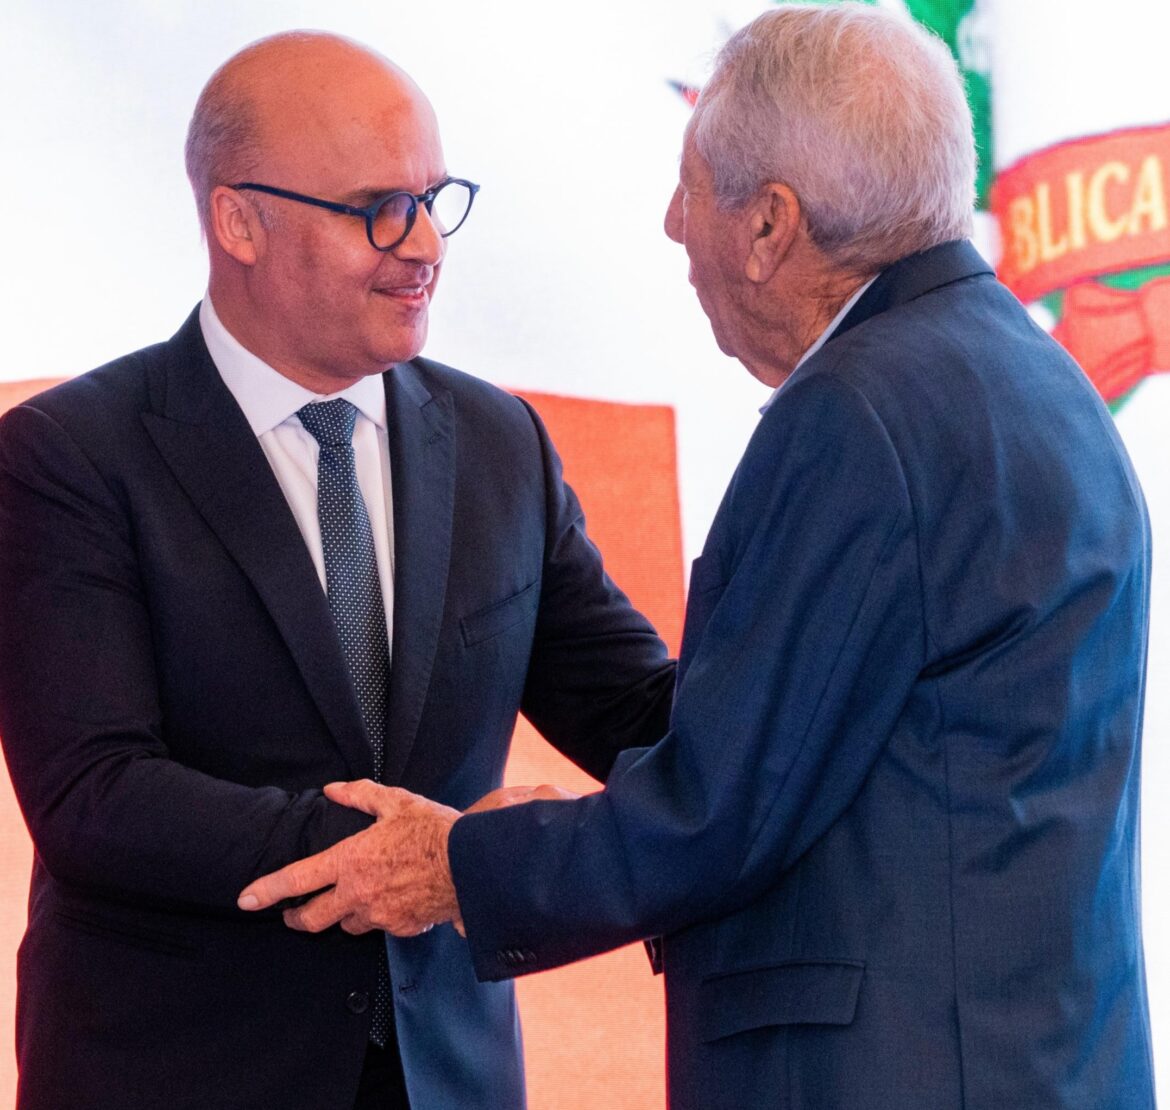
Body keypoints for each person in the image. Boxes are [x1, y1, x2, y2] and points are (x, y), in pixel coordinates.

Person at [241, 5, 1157, 1108]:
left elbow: (724, 807)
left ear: (770, 223)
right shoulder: (1034, 378)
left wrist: (457, 865)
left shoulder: (861, 414)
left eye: (692, 187)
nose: (673, 225)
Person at [0, 31, 674, 1110]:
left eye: (435, 200)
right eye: (379, 210)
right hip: (179, 1075)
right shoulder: (69, 458)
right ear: (238, 221)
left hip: (446, 1077)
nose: (424, 245)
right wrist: (411, 856)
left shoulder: (499, 442)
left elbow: (636, 711)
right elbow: (97, 795)